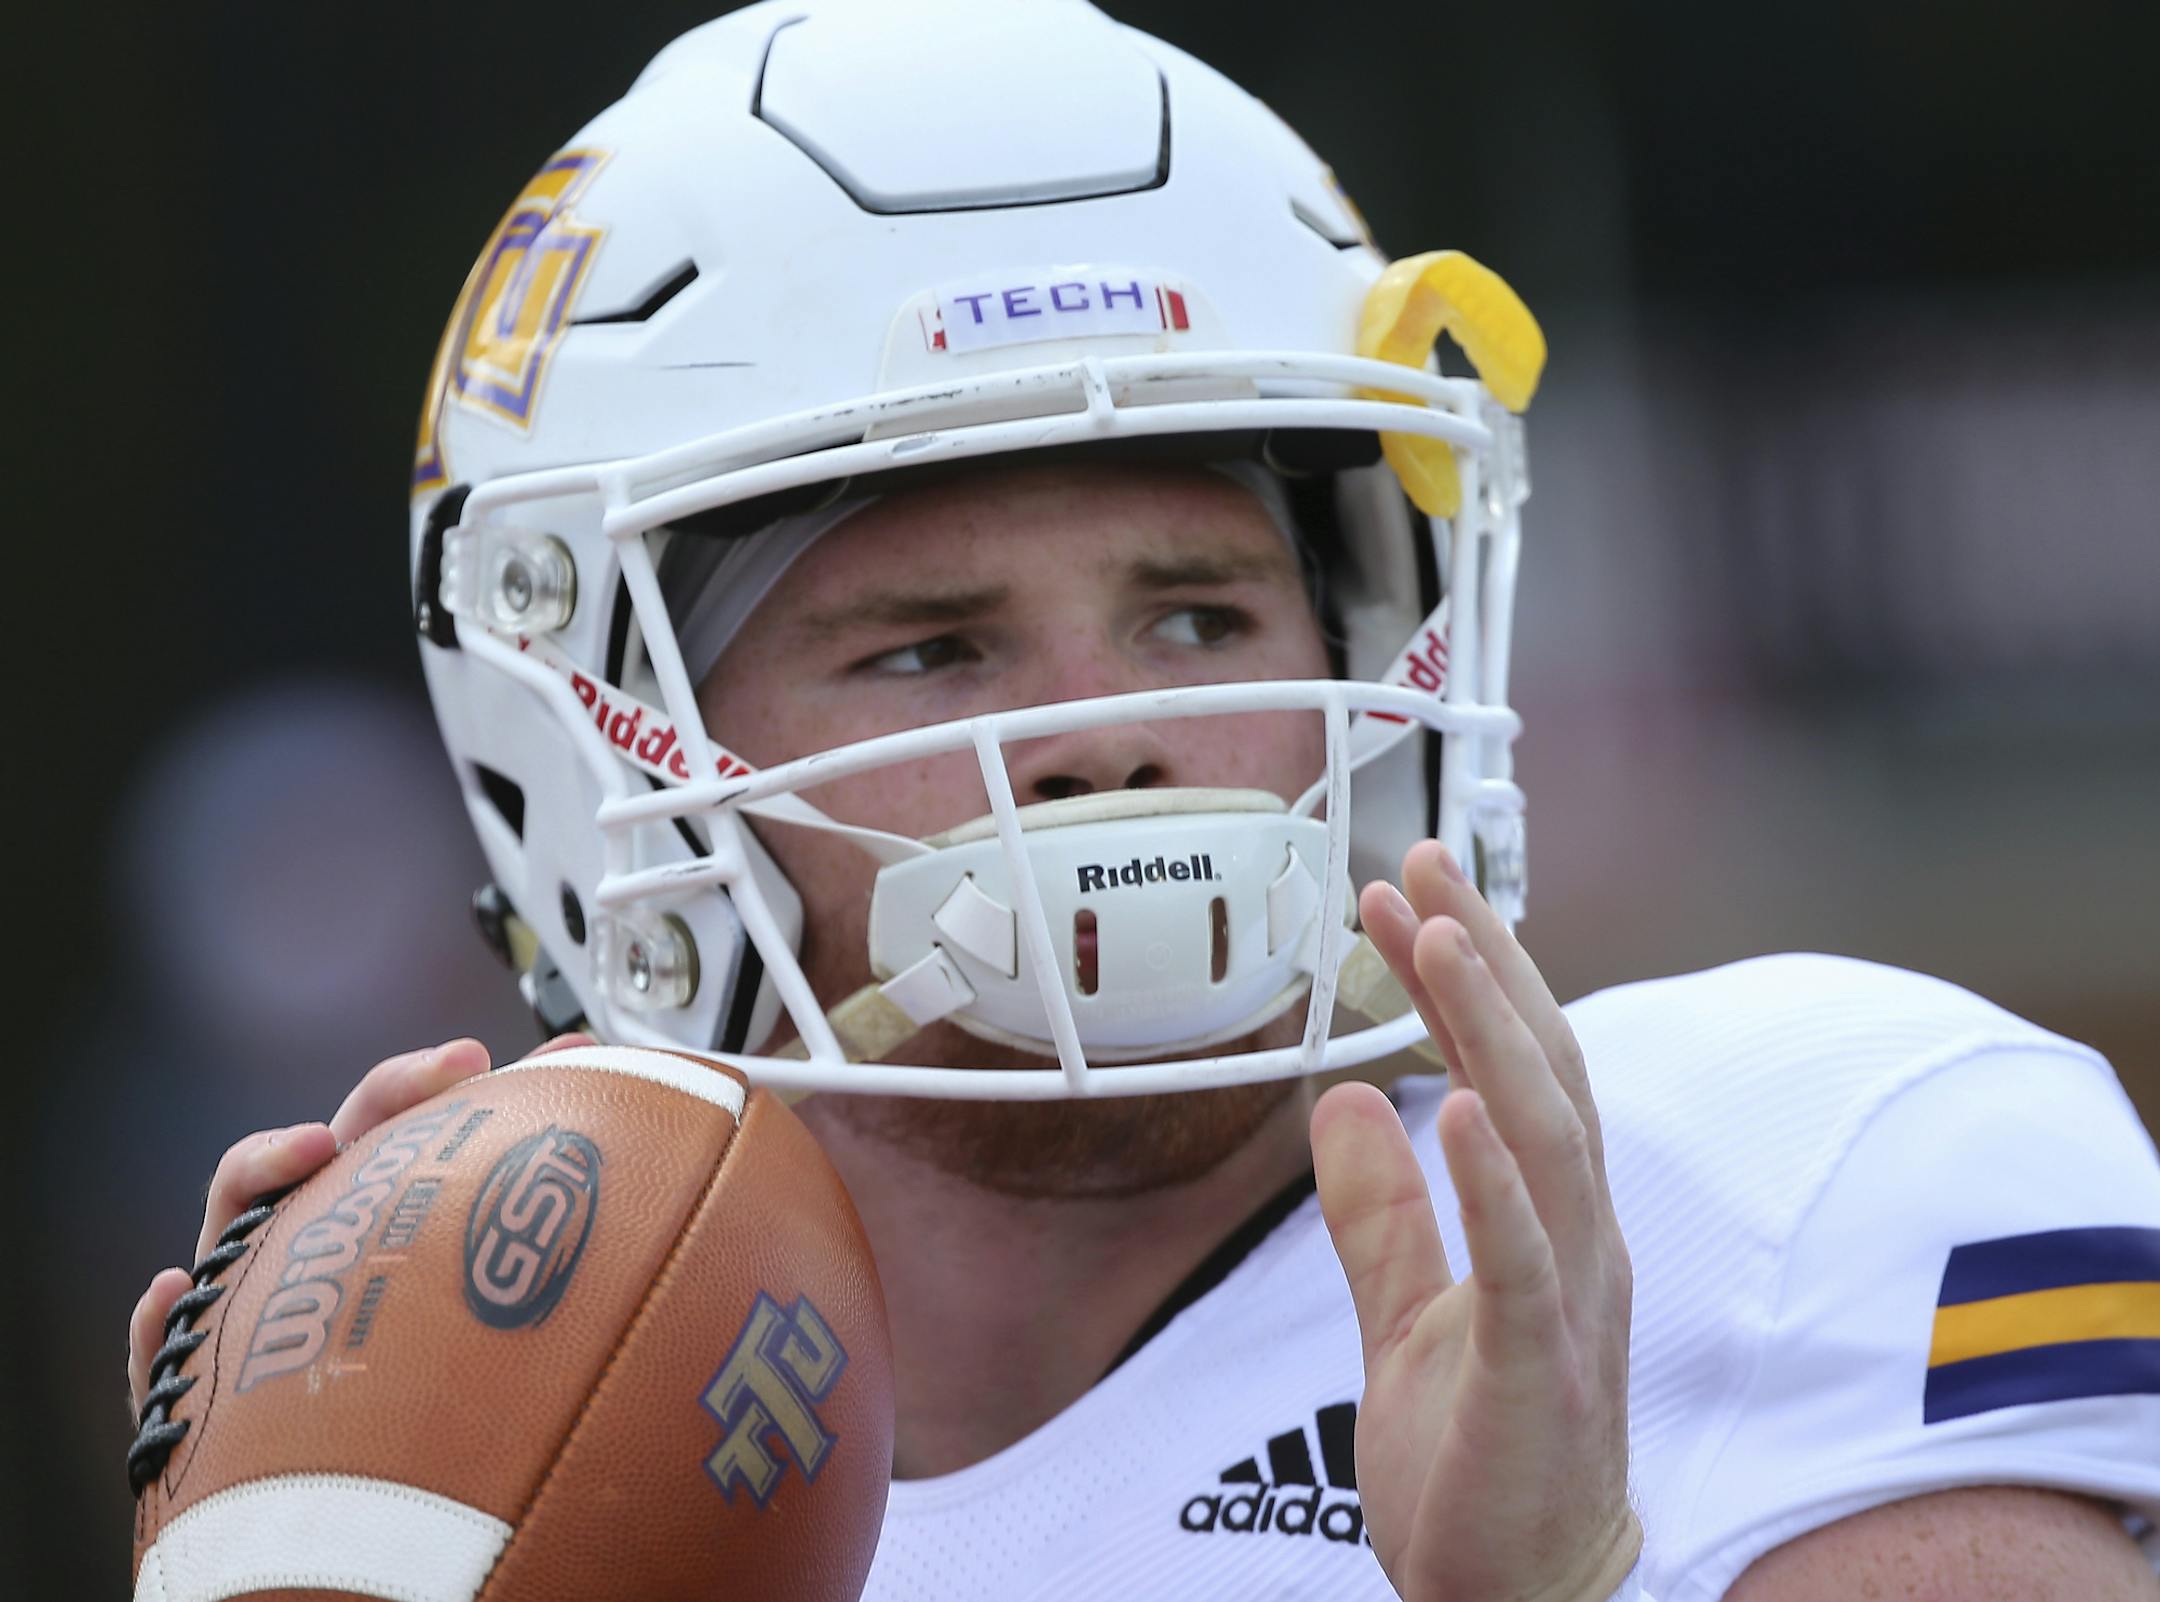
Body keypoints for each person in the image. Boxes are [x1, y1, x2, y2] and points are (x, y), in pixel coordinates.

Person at [128, 2, 2160, 1598]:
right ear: (605, 747)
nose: (1103, 731)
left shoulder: (1796, 1182)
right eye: (935, 648)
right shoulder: (561, 1464)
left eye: (1195, 615)